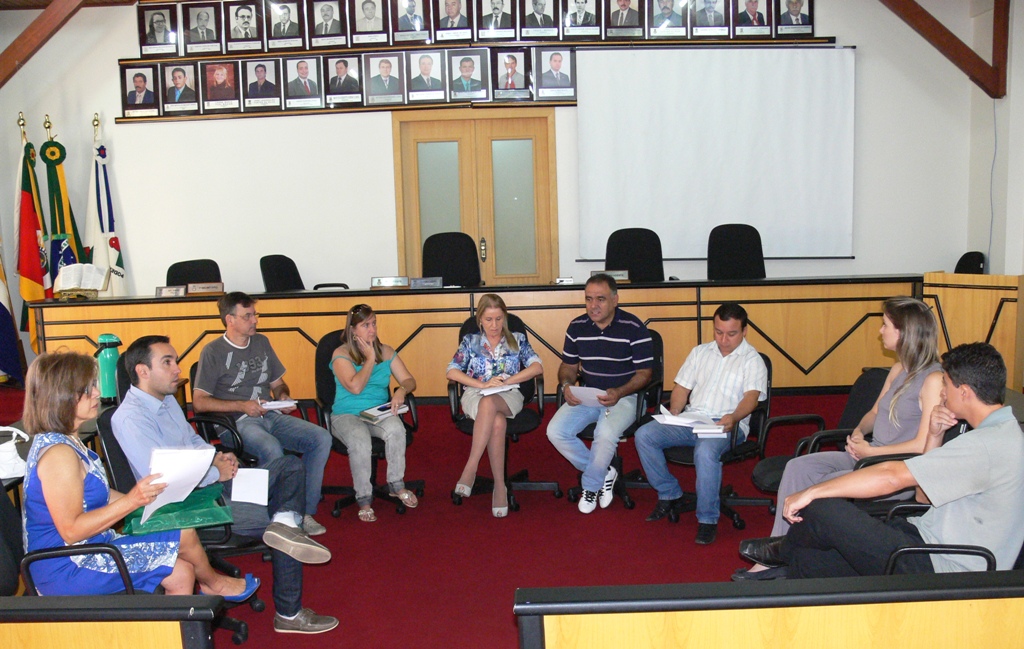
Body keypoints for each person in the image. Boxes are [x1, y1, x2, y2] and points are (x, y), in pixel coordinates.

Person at [737, 343, 1024, 579]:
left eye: (945, 385)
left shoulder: (985, 445)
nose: (942, 393)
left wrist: (811, 491)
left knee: (823, 506)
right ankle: (780, 569)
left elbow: (891, 475)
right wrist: (935, 436)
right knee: (809, 562)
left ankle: (781, 551)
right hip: (923, 540)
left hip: (939, 564)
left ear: (965, 392)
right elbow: (923, 498)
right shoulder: (999, 434)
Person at [113, 336, 338, 635]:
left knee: (289, 466)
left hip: (209, 485)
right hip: (185, 506)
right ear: (143, 371)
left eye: (175, 360)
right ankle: (289, 612)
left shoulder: (166, 401)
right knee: (283, 521)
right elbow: (161, 480)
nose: (177, 369)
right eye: (168, 362)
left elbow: (193, 440)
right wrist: (213, 473)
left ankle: (285, 521)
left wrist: (216, 457)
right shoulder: (130, 418)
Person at [20, 352, 255, 601]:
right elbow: (71, 531)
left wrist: (149, 502)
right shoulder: (59, 455)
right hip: (66, 567)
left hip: (89, 549)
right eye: (87, 389)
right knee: (182, 536)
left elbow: (99, 494)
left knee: (182, 571)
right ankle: (213, 584)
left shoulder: (68, 442)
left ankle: (182, 619)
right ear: (61, 397)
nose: (97, 393)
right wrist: (132, 501)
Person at [735, 296, 943, 576]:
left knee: (825, 485)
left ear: (905, 332)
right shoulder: (898, 369)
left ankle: (789, 556)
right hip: (867, 455)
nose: (880, 331)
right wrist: (858, 432)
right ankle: (780, 549)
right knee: (798, 467)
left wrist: (872, 453)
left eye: (885, 325)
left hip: (892, 469)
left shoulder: (933, 379)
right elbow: (873, 412)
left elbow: (922, 446)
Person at [193, 292, 332, 537]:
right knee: (271, 448)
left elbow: (278, 383)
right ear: (230, 320)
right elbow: (200, 402)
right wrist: (242, 406)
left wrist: (283, 396)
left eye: (255, 314)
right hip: (236, 422)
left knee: (321, 437)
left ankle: (302, 512)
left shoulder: (261, 342)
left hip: (269, 415)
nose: (255, 320)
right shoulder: (213, 351)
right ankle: (274, 517)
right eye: (247, 316)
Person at [634, 303, 768, 545]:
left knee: (705, 451)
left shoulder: (752, 360)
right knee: (645, 435)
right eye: (718, 332)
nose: (723, 340)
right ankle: (669, 493)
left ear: (744, 331)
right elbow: (681, 388)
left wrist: (734, 417)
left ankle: (707, 519)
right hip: (693, 419)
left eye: (731, 333)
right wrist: (676, 410)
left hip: (727, 424)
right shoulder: (700, 352)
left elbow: (751, 398)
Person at [547, 274, 653, 514]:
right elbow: (568, 366)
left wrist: (620, 391)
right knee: (555, 431)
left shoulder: (634, 328)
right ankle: (604, 472)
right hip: (589, 394)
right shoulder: (577, 327)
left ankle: (591, 486)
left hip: (625, 396)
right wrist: (566, 385)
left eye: (600, 299)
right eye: (589, 299)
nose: (593, 305)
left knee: (604, 434)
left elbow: (645, 374)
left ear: (615, 300)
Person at [447, 295, 544, 518]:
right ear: (480, 319)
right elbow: (451, 371)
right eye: (489, 319)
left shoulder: (516, 339)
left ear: (504, 318)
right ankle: (500, 486)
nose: (494, 325)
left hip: (508, 394)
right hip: (475, 393)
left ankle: (470, 468)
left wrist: (507, 381)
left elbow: (537, 367)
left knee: (491, 402)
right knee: (497, 421)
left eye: (499, 319)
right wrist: (482, 384)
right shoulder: (470, 341)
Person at [329, 305, 420, 523]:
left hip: (376, 413)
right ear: (353, 330)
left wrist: (401, 390)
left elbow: (409, 380)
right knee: (360, 439)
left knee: (396, 428)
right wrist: (369, 359)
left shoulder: (386, 351)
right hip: (346, 415)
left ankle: (396, 485)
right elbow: (355, 387)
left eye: (374, 324)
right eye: (365, 325)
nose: (372, 329)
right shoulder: (341, 354)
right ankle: (364, 499)